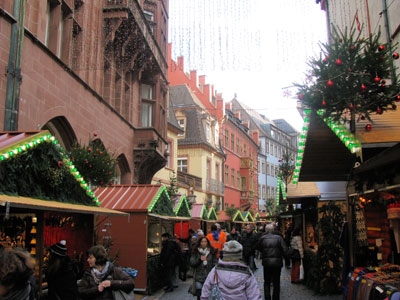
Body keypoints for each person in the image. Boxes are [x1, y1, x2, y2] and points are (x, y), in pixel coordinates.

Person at [258, 223, 288, 300]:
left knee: (267, 282)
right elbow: (285, 249)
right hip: (277, 263)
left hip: (267, 263)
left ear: (266, 230)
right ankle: (275, 298)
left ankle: (267, 297)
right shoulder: (279, 238)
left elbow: (259, 248)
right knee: (276, 282)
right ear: (273, 230)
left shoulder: (262, 238)